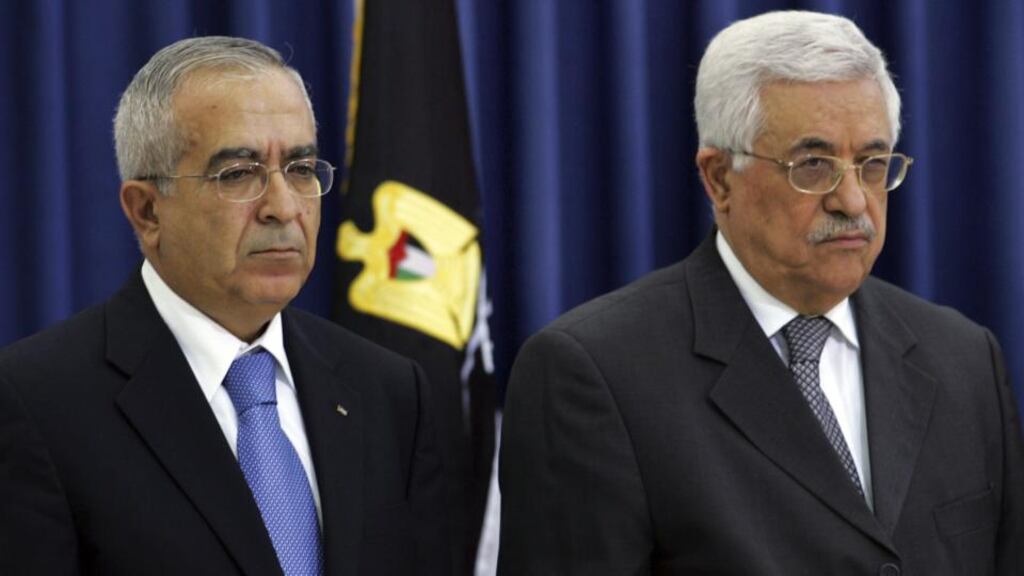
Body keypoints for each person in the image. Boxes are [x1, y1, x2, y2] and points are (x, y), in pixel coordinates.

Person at [498, 10, 1024, 575]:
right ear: (720, 178)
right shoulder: (594, 374)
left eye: (872, 164)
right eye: (814, 165)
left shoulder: (963, 358)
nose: (852, 201)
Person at [0, 37, 448, 575]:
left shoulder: (389, 390)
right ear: (146, 211)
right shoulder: (34, 401)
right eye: (238, 174)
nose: (284, 207)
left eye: (302, 169)